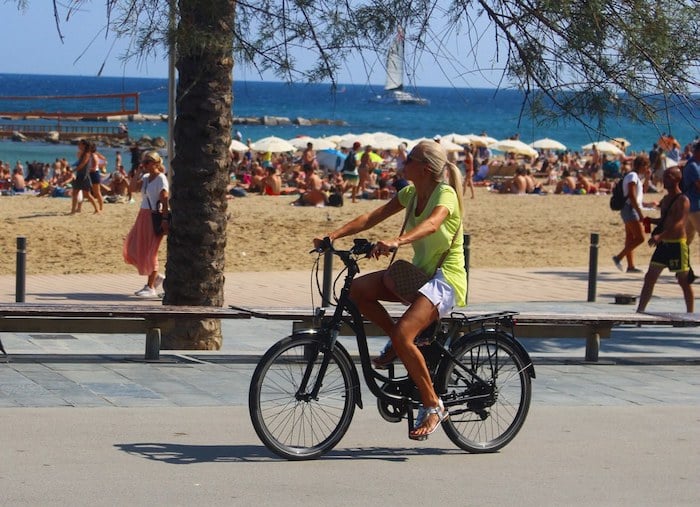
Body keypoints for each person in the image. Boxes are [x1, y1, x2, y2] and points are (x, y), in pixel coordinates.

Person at [313, 140, 466, 441]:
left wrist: (399, 241)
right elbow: (372, 217)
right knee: (357, 291)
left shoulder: (445, 194)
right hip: (421, 276)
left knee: (403, 335)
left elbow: (434, 224)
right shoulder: (410, 194)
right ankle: (399, 344)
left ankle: (433, 405)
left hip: (446, 279)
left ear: (424, 168)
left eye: (408, 159)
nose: (402, 162)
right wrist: (332, 236)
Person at [636, 167, 694, 313]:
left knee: (683, 281)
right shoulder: (666, 199)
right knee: (650, 277)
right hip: (663, 245)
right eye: (665, 176)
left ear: (676, 179)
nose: (664, 179)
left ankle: (691, 314)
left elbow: (679, 223)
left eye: (668, 176)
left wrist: (659, 236)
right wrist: (651, 221)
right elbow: (665, 220)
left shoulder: (683, 200)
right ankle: (640, 311)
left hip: (677, 245)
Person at [123, 151, 169, 298]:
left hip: (154, 216)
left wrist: (165, 219)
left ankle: (150, 287)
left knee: (151, 251)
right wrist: (137, 172)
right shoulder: (146, 177)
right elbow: (131, 189)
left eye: (147, 162)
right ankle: (155, 278)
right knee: (133, 248)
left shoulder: (161, 178)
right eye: (143, 162)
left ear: (156, 163)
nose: (144, 164)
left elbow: (164, 200)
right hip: (143, 215)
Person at [612, 155, 650, 273]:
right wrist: (640, 214)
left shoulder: (635, 177)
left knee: (630, 238)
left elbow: (643, 191)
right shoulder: (632, 176)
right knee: (640, 238)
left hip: (629, 208)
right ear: (642, 165)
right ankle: (618, 257)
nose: (647, 168)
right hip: (630, 208)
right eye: (646, 166)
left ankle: (630, 266)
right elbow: (632, 196)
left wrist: (648, 178)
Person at [70, 139, 101, 214]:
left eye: (80, 144)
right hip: (81, 175)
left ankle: (97, 209)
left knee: (84, 194)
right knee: (79, 193)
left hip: (83, 176)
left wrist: (73, 170)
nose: (78, 145)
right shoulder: (83, 153)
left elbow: (82, 164)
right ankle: (73, 210)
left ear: (84, 145)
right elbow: (78, 163)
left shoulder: (87, 154)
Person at [682, 142, 700, 261]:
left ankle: (683, 268)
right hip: (695, 207)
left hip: (691, 206)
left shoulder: (695, 164)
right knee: (687, 238)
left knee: (687, 239)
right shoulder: (693, 165)